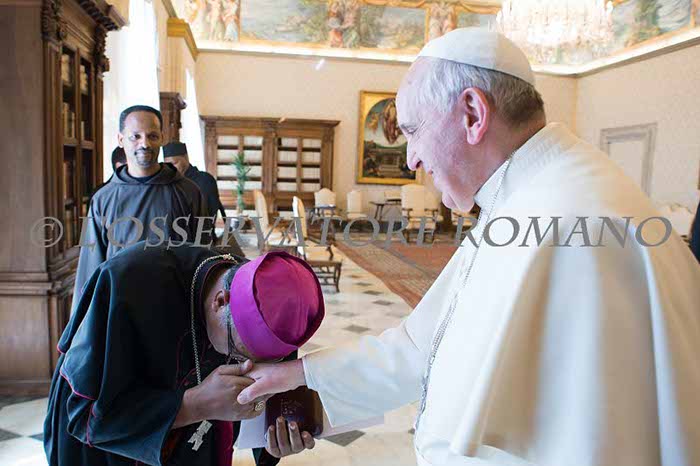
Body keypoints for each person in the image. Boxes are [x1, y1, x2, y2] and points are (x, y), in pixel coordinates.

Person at [236, 28, 700, 466]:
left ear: (473, 115)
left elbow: (584, 441)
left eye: (413, 131)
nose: (411, 159)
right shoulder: (527, 195)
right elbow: (423, 346)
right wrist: (301, 378)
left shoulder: (572, 223)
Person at [45, 245, 322, 465]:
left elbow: (269, 413)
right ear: (221, 301)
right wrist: (195, 405)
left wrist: (274, 439)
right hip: (108, 452)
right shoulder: (128, 280)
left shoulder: (274, 305)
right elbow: (85, 417)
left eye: (267, 361)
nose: (247, 366)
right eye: (238, 351)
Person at [73, 105, 209, 310]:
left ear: (162, 138)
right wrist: (82, 319)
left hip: (175, 306)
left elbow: (203, 256)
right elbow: (90, 267)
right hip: (119, 308)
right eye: (135, 136)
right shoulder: (103, 199)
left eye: (152, 136)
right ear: (121, 139)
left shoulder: (189, 192)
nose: (144, 144)